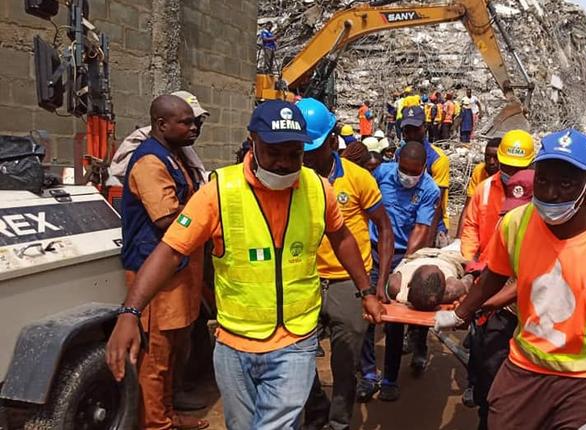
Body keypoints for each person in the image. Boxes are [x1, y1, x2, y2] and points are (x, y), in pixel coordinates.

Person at [106, 100, 384, 430]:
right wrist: (130, 313)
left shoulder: (318, 189)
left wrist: (365, 289)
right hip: (234, 343)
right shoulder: (219, 192)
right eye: (274, 152)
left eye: (293, 154)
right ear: (253, 141)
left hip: (295, 340)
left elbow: (343, 238)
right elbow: (169, 250)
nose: (284, 163)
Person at [435, 128, 586, 430]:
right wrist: (460, 313)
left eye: (566, 183)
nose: (551, 193)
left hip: (585, 377)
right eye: (543, 180)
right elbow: (494, 275)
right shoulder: (516, 224)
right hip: (525, 365)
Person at [297, 98, 394, 430]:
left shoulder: (357, 179)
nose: (306, 156)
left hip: (348, 283)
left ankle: (338, 422)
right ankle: (315, 409)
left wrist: (378, 284)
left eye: (313, 147)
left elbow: (383, 226)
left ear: (332, 140)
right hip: (304, 280)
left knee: (344, 362)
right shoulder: (293, 179)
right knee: (295, 357)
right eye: (301, 148)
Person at [117, 95, 207, 430]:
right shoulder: (150, 162)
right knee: (155, 356)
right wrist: (212, 216)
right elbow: (167, 219)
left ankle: (167, 414)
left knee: (173, 352)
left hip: (179, 271)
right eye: (185, 122)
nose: (193, 127)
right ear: (161, 124)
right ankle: (155, 423)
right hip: (156, 273)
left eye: (194, 121)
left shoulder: (175, 155)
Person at [357, 141, 441, 403]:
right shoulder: (382, 173)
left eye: (413, 172)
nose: (407, 176)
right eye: (403, 169)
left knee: (394, 320)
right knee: (366, 315)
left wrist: (403, 265)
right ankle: (369, 374)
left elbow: (420, 228)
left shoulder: (429, 189)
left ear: (423, 169)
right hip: (370, 251)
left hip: (401, 255)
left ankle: (391, 378)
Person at [465, 168, 535, 430]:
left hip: (530, 322)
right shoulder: (511, 223)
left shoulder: (551, 234)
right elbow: (496, 269)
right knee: (488, 376)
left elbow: (523, 280)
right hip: (505, 313)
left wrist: (479, 304)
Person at [460, 130, 535, 269]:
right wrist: (468, 260)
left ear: (530, 165)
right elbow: (471, 227)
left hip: (521, 270)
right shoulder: (484, 189)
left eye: (517, 168)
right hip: (483, 267)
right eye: (508, 166)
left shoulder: (539, 196)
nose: (512, 172)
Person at [108, 90, 210, 186]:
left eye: (199, 121)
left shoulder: (183, 148)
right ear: (163, 123)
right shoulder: (146, 152)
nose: (195, 127)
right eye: (186, 122)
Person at [400, 105, 451, 244]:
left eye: (415, 130)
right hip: (405, 221)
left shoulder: (438, 159)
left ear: (425, 128)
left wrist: (427, 243)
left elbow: (437, 204)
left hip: (432, 223)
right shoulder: (400, 154)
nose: (411, 135)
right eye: (407, 130)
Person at [385, 247, 472, 311]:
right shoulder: (453, 289)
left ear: (409, 283)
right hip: (447, 256)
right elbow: (469, 277)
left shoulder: (395, 285)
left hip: (422, 254)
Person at [456, 138, 501, 238]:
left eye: (496, 157)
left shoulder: (508, 176)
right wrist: (458, 240)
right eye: (488, 157)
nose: (491, 162)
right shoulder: (479, 171)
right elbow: (468, 208)